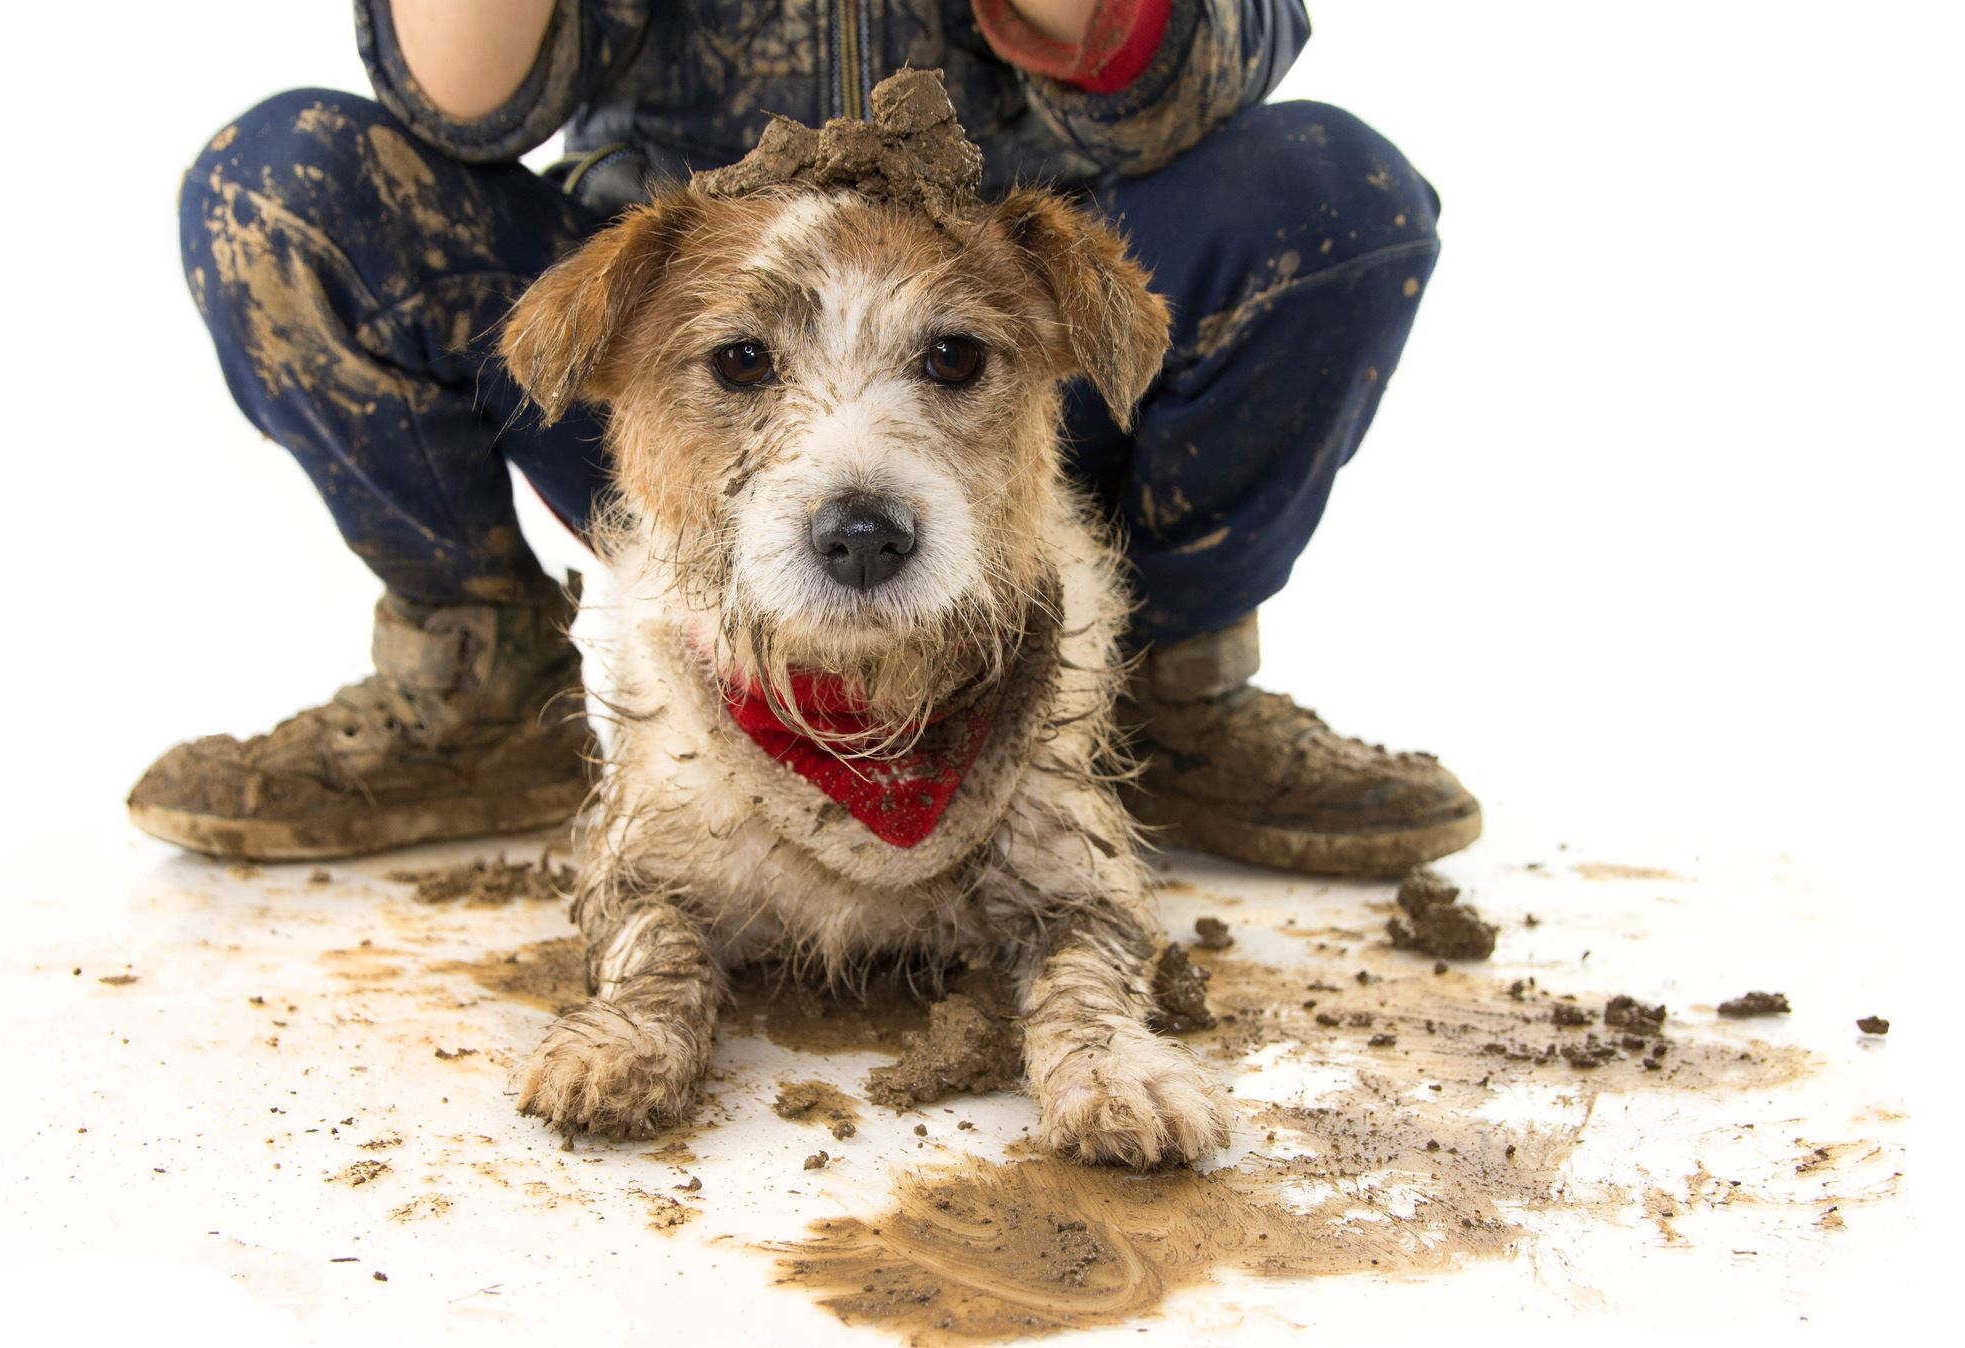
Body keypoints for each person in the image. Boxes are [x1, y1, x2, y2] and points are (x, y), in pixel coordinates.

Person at [130, 0, 1480, 876]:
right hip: (694, 371)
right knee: (285, 190)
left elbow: (1182, 87)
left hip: (995, 373)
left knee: (1331, 198)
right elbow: (459, 100)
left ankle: (1159, 694)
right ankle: (475, 688)